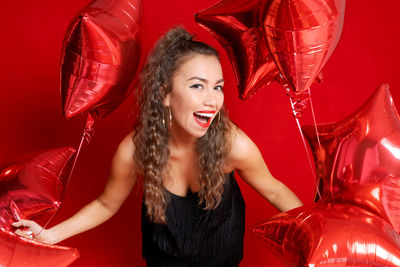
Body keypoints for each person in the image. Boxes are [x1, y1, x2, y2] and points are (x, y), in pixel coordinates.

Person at [13, 27, 302, 266]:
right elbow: (105, 204)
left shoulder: (231, 144)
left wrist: (314, 231)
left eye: (218, 86)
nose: (212, 100)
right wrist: (50, 235)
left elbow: (274, 189)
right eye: (197, 86)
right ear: (165, 94)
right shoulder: (136, 150)